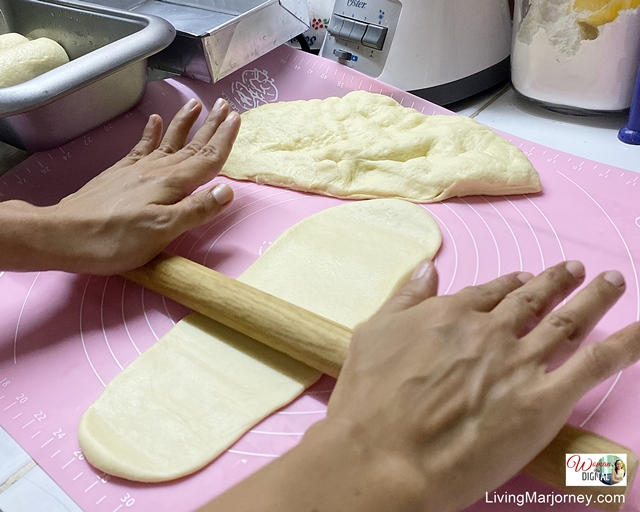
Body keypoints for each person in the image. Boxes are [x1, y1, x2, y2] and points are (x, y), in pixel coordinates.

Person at [1, 99, 639, 512]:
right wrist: (380, 461)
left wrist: (43, 232)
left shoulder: (608, 469)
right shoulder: (599, 468)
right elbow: (617, 478)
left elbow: (621, 479)